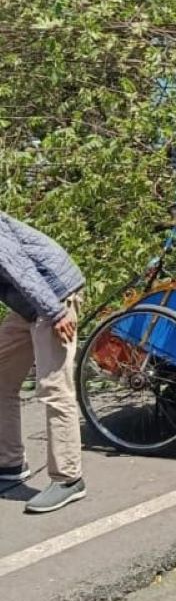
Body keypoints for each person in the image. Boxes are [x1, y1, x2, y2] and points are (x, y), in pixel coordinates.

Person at [0, 213, 88, 513]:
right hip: (27, 305)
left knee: (53, 386)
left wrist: (56, 313)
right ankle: (9, 464)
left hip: (55, 296)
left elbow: (20, 269)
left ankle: (68, 479)